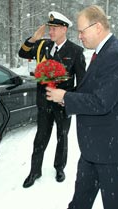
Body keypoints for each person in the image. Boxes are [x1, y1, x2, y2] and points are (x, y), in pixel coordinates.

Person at [46, 5, 118, 209]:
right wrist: (65, 97)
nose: (79, 36)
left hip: (111, 150)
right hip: (95, 147)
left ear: (97, 27)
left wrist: (66, 97)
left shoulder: (116, 55)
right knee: (81, 199)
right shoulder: (103, 52)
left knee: (114, 203)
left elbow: (102, 102)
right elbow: (93, 92)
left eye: (81, 31)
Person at [18, 11, 86, 188]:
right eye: (50, 27)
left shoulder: (76, 51)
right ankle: (34, 171)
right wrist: (33, 38)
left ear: (64, 29)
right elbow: (22, 53)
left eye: (55, 28)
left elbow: (83, 82)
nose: (51, 31)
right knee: (40, 137)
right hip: (44, 102)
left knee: (62, 137)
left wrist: (69, 98)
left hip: (63, 105)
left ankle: (59, 167)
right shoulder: (43, 45)